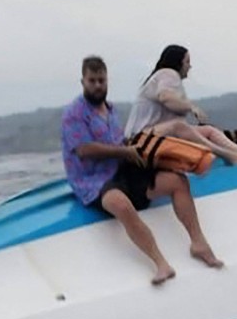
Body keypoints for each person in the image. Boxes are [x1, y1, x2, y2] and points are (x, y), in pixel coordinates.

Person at [61, 55, 222, 285]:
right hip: (93, 180)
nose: (98, 86)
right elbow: (85, 150)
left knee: (177, 181)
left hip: (121, 168)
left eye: (101, 81)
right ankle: (160, 264)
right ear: (83, 82)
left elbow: (119, 141)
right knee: (121, 204)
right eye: (92, 81)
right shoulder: (74, 114)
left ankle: (198, 243)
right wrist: (124, 153)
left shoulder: (110, 109)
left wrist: (141, 150)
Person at [124, 45, 237, 165]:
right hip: (138, 140)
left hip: (153, 134)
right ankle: (229, 156)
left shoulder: (165, 78)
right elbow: (165, 96)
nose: (189, 66)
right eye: (187, 62)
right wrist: (191, 107)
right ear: (178, 63)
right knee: (179, 126)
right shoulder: (168, 73)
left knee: (208, 130)